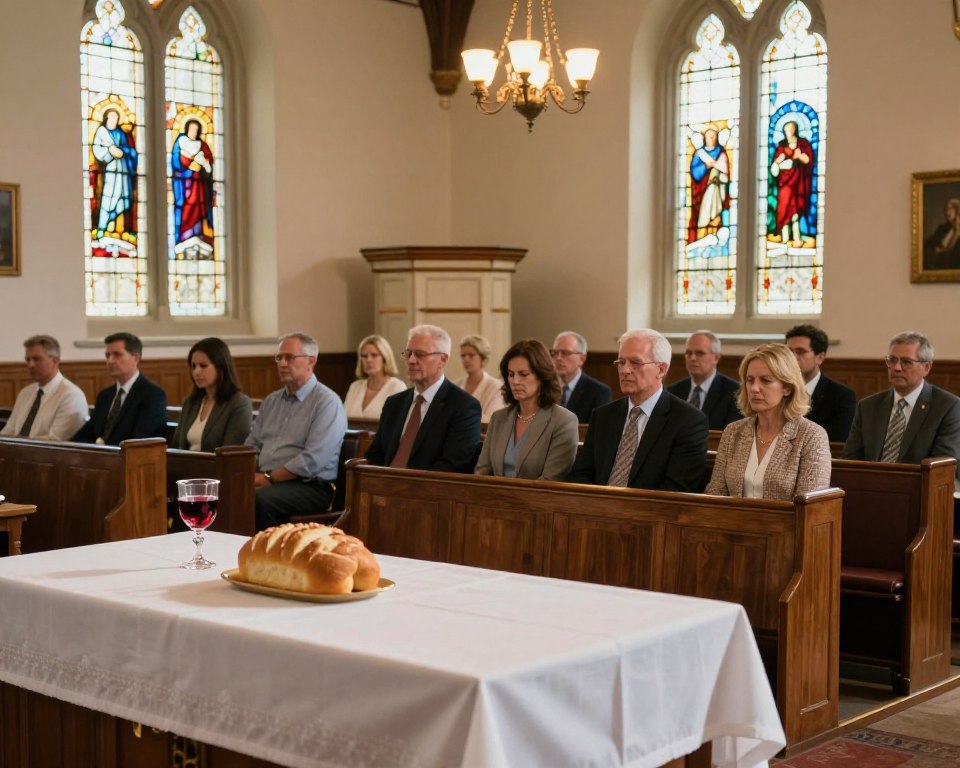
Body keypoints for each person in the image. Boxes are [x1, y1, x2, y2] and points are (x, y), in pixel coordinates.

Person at [567, 329, 708, 492]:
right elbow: (581, 475)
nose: (625, 370)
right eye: (621, 362)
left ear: (661, 369)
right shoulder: (603, 416)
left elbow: (676, 490)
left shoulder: (688, 421)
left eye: (635, 363)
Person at [246, 332, 347, 530]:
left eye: (289, 358)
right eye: (279, 358)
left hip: (310, 486)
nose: (282, 364)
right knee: (222, 491)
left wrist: (269, 478)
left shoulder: (326, 402)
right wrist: (246, 474)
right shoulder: (271, 401)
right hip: (266, 480)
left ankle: (267, 556)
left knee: (258, 499)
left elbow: (313, 460)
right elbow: (251, 444)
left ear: (311, 361)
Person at [706, 343, 831, 500]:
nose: (754, 388)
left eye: (765, 380)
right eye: (750, 380)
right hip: (732, 522)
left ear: (787, 387)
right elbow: (715, 493)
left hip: (786, 524)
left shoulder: (812, 436)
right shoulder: (733, 432)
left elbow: (810, 508)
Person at [843, 331, 960, 488]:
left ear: (927, 367)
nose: (896, 368)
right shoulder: (868, 406)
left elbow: (942, 468)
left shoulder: (947, 406)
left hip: (919, 493)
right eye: (892, 360)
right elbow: (851, 459)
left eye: (906, 362)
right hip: (870, 491)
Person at [365, 324, 481, 472]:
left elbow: (452, 467)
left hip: (427, 491)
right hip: (383, 488)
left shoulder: (463, 406)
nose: (411, 360)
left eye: (419, 354)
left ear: (443, 360)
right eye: (408, 353)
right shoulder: (394, 403)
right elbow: (375, 455)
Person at [475, 339, 578, 480]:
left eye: (523, 374)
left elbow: (551, 480)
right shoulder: (499, 418)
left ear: (542, 376)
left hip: (538, 500)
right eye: (511, 375)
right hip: (493, 500)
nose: (515, 381)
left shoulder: (563, 421)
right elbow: (482, 472)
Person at [72, 332, 167, 445]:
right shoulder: (105, 396)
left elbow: (141, 439)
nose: (110, 361)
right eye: (107, 355)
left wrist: (101, 445)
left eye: (117, 355)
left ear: (136, 358)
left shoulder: (152, 395)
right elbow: (86, 433)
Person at [170, 337, 253, 451]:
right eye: (193, 366)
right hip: (185, 466)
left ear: (220, 367)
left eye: (203, 366)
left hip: (216, 467)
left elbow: (231, 453)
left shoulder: (239, 404)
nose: (196, 372)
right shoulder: (191, 402)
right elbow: (176, 445)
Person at [0, 335, 88, 441]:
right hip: (16, 453)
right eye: (28, 360)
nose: (30, 365)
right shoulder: (25, 392)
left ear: (55, 361)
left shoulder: (71, 396)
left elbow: (55, 440)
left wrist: (17, 446)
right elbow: (9, 430)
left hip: (50, 456)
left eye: (37, 359)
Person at [785, 324, 856, 442]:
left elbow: (837, 441)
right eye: (789, 352)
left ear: (820, 357)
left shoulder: (842, 396)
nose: (792, 358)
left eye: (800, 352)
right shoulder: (776, 390)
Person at [666, 330, 740, 430]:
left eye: (700, 353)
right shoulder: (672, 391)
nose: (692, 358)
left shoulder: (735, 392)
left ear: (716, 358)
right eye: (688, 353)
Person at [91, 108, 137, 243]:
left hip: (123, 171)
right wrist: (110, 151)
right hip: (109, 170)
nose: (114, 120)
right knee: (109, 197)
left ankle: (124, 230)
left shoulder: (120, 133)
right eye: (112, 117)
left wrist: (122, 151)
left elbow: (128, 149)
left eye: (116, 118)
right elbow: (97, 150)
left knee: (125, 197)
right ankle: (102, 228)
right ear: (106, 118)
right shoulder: (101, 132)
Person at [171, 119, 215, 258]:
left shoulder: (202, 145)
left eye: (196, 130)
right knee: (185, 208)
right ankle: (184, 237)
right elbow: (175, 162)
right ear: (187, 129)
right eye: (191, 129)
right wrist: (189, 166)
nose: (193, 132)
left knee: (197, 208)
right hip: (183, 185)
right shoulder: (180, 142)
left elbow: (209, 164)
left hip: (198, 184)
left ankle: (197, 234)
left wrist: (203, 165)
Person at [769, 120, 814, 246]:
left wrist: (799, 157)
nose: (788, 132)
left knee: (795, 209)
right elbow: (774, 169)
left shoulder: (803, 144)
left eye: (790, 129)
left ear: (795, 129)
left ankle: (796, 237)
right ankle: (784, 237)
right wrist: (778, 162)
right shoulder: (781, 146)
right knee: (784, 208)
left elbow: (808, 160)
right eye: (786, 130)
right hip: (784, 183)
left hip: (798, 182)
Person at [551, 331, 612, 424]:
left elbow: (598, 429)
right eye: (555, 353)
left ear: (582, 359)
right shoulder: (545, 387)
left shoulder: (598, 392)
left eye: (565, 353)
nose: (558, 358)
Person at [343, 334, 406, 420]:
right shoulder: (355, 386)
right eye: (364, 356)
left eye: (374, 355)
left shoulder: (396, 387)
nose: (368, 360)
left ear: (385, 358)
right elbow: (343, 419)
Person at [688, 127, 730, 243]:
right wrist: (707, 166)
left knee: (716, 210)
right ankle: (702, 237)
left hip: (717, 188)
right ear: (704, 138)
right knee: (703, 213)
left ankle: (716, 233)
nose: (710, 139)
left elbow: (726, 172)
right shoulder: (699, 153)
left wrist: (716, 169)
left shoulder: (721, 152)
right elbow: (695, 173)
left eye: (713, 137)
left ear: (716, 138)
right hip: (701, 191)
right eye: (708, 137)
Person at [455, 334, 505, 423]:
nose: (466, 359)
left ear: (483, 358)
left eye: (471, 355)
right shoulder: (456, 385)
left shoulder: (496, 386)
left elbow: (492, 420)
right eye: (463, 356)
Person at [923, 198, 960, 271]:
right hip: (939, 267)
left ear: (957, 210)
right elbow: (929, 245)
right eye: (946, 210)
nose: (947, 212)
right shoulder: (942, 229)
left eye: (950, 209)